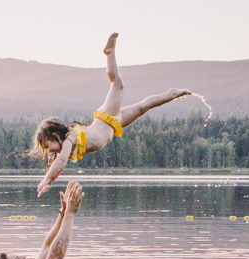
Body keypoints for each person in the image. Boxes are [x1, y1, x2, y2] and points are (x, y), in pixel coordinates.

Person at [32, 33, 191, 197]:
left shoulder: (70, 137)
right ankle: (172, 94)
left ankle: (109, 52)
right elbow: (60, 165)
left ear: (56, 134)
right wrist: (50, 182)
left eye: (46, 144)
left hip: (105, 117)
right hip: (113, 124)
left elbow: (61, 161)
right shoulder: (65, 148)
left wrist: (46, 178)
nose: (48, 150)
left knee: (118, 84)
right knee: (143, 107)